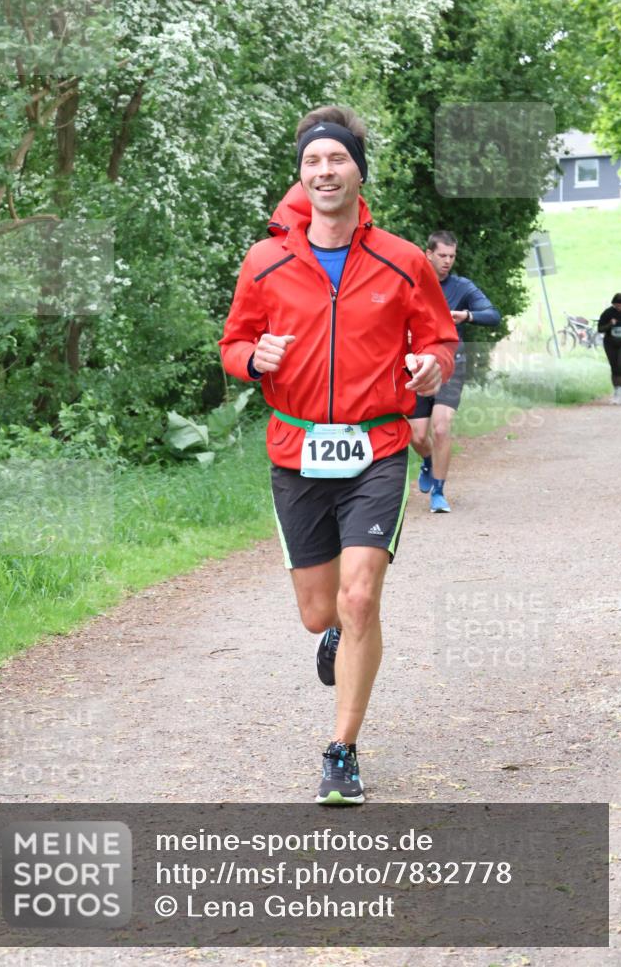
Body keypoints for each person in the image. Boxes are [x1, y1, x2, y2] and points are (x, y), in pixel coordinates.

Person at [220, 105, 457, 804]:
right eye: (312, 163)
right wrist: (252, 359)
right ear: (300, 177)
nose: (325, 171)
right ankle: (332, 639)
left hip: (376, 447)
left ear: (357, 170)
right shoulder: (265, 262)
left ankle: (342, 751)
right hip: (295, 449)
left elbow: (439, 340)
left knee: (359, 600)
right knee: (319, 613)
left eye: (337, 160)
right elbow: (233, 344)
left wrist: (430, 368)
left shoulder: (403, 259)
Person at [409, 231, 501, 513]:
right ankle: (428, 461)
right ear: (428, 254)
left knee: (441, 427)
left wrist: (467, 316)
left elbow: (493, 315)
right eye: (442, 256)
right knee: (417, 436)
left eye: (452, 256)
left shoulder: (461, 287)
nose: (448, 261)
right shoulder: (411, 283)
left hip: (451, 364)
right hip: (416, 366)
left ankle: (439, 491)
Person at [597, 292, 621, 404]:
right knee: (614, 367)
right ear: (613, 304)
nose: (620, 306)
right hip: (610, 343)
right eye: (617, 304)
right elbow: (600, 329)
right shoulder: (607, 313)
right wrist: (610, 324)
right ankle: (616, 393)